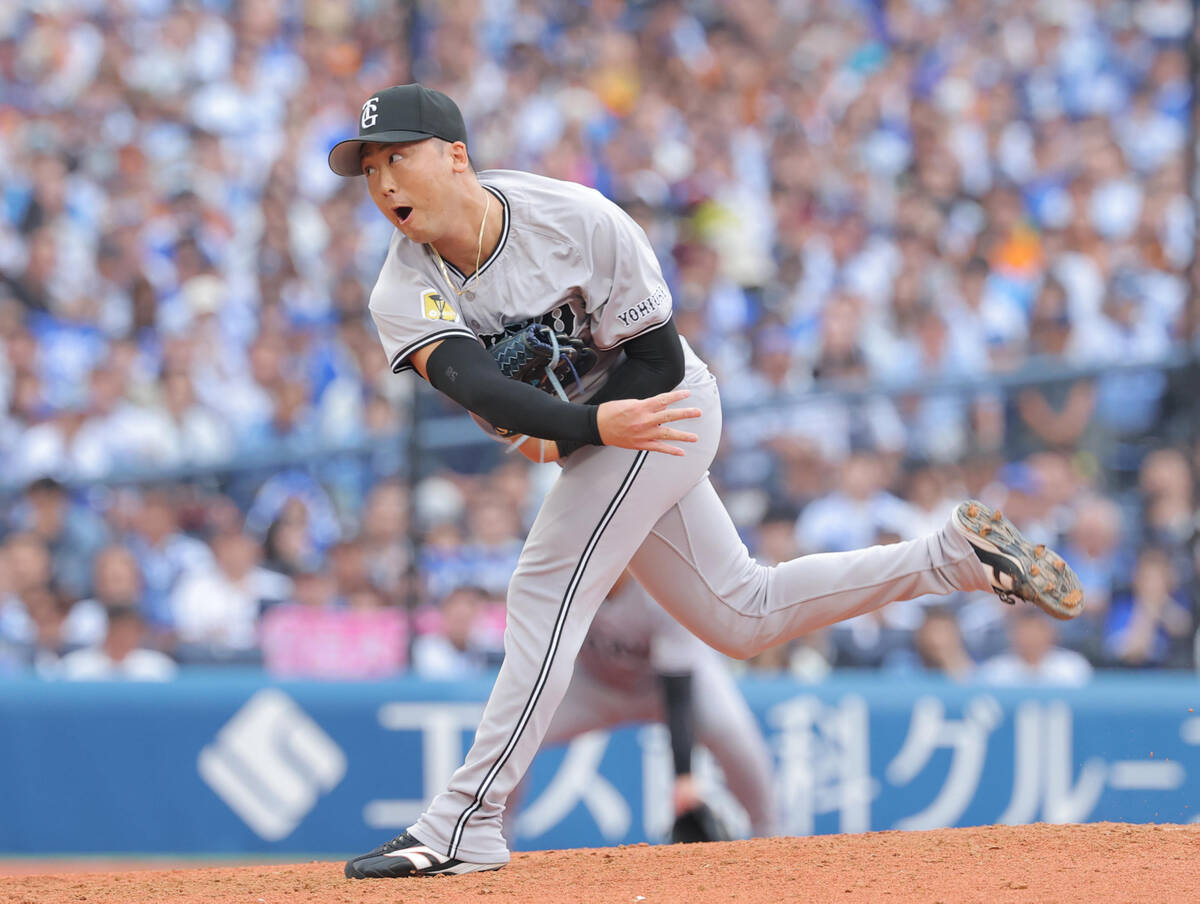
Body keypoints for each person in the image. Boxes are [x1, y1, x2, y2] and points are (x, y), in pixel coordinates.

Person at [331, 84, 1083, 879]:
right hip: (594, 437)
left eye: (398, 158)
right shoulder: (401, 286)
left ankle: (465, 823)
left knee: (544, 587)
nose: (383, 183)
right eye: (370, 169)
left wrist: (595, 429)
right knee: (742, 614)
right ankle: (950, 558)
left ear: (456, 156)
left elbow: (656, 361)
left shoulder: (575, 219)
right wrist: (587, 433)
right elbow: (478, 387)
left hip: (666, 408)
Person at [528, 571, 777, 839]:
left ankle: (772, 837)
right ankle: (497, 842)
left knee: (738, 741)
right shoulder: (557, 577)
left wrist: (684, 777)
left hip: (672, 685)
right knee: (513, 737)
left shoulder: (663, 580)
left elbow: (678, 690)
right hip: (591, 686)